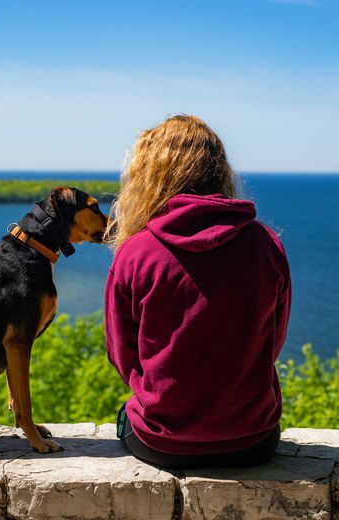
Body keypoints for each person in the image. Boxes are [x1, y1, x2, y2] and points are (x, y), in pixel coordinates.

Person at [103, 115, 291, 469]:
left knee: (124, 416)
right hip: (252, 440)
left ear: (150, 176)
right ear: (219, 170)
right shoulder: (267, 244)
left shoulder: (136, 252)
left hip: (160, 441)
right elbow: (272, 343)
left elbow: (122, 355)